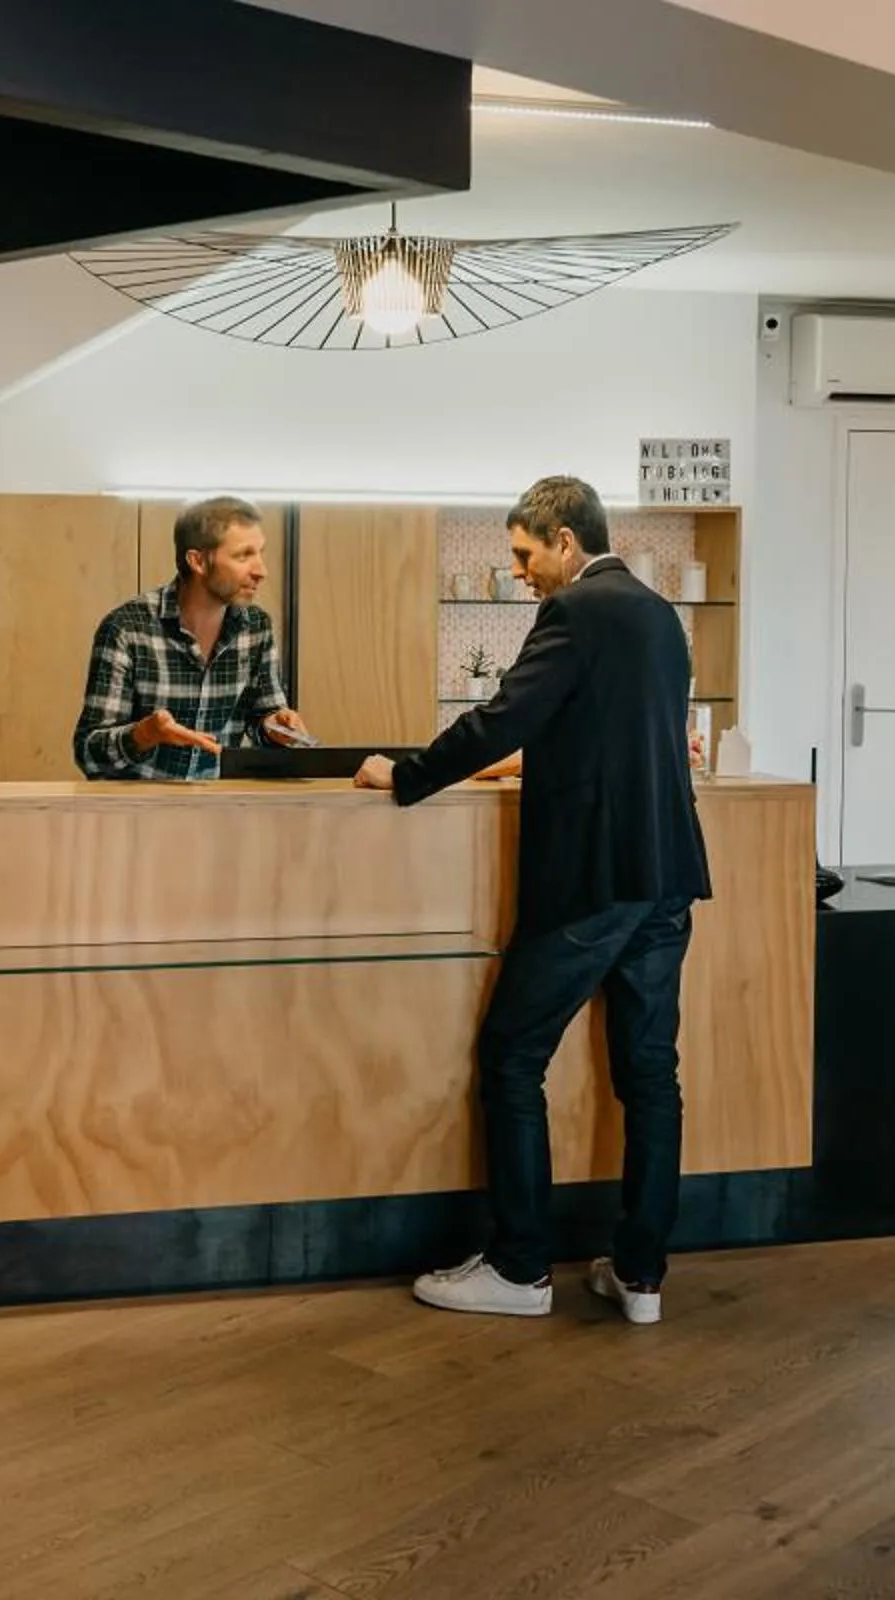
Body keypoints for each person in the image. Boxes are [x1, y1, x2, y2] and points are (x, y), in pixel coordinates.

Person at [355, 475, 710, 1326]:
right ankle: (642, 1276)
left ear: (565, 541)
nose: (519, 572)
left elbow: (504, 716)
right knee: (650, 1074)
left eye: (523, 554)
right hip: (666, 873)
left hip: (593, 876)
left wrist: (405, 776)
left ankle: (519, 1267)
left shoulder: (575, 611)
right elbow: (611, 732)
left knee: (512, 1057)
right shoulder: (659, 613)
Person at [73, 495, 309, 779]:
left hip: (218, 803)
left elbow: (264, 721)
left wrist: (276, 727)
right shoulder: (127, 627)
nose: (261, 571)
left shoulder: (257, 627)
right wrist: (144, 735)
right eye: (243, 555)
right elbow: (89, 754)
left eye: (260, 553)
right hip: (138, 803)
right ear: (197, 561)